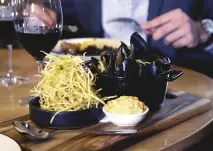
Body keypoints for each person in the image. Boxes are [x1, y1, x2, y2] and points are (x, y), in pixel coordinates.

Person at [26, 0, 213, 78]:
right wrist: (40, 11)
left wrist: (204, 30)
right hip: (97, 85)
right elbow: (52, 8)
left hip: (176, 91)